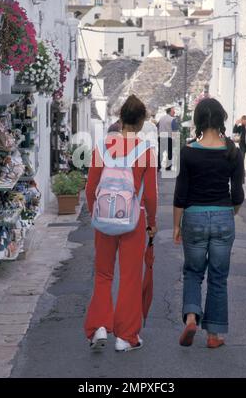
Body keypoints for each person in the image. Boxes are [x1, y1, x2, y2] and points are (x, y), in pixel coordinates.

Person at [84, 94, 158, 352]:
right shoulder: (146, 151)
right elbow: (150, 195)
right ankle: (126, 336)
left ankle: (99, 327)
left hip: (104, 218)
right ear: (140, 123)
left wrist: (96, 213)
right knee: (129, 277)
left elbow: (90, 187)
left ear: (121, 119)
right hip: (133, 220)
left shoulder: (101, 147)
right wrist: (152, 222)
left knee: (103, 274)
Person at [173, 98, 244, 348]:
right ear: (223, 119)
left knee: (193, 272)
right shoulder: (233, 152)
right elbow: (238, 193)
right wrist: (229, 213)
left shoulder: (189, 151)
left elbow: (181, 192)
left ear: (199, 121)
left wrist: (176, 225)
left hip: (193, 215)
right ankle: (214, 335)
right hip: (223, 215)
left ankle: (191, 317)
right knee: (218, 276)